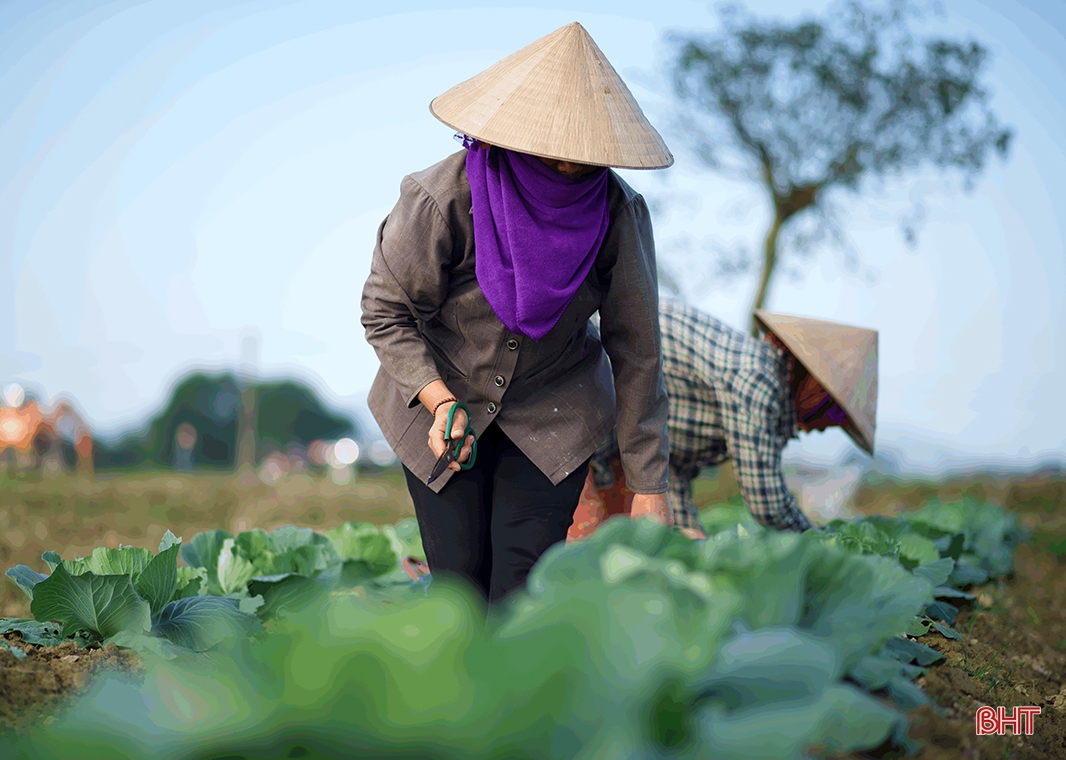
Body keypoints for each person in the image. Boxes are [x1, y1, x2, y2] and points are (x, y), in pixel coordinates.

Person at [361, 22, 674, 606]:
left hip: (554, 412)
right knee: (460, 588)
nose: (571, 167)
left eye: (585, 157)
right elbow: (385, 310)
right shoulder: (442, 198)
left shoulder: (617, 214)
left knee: (520, 589)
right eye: (555, 154)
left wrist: (650, 485)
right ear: (513, 136)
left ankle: (519, 694)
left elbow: (637, 348)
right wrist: (437, 398)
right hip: (443, 406)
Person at [567, 301, 878, 540]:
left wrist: (688, 531)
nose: (825, 425)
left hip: (619, 430)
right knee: (587, 531)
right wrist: (822, 544)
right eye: (831, 413)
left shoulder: (751, 389)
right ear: (814, 390)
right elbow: (767, 503)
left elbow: (669, 460)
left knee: (630, 537)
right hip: (587, 397)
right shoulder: (758, 382)